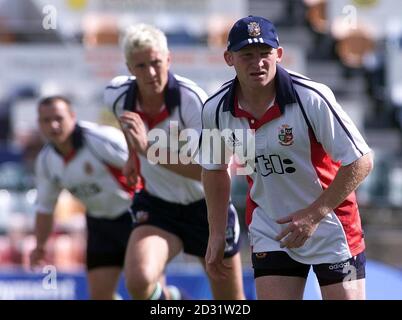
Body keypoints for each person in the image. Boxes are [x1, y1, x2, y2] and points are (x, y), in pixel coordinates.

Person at [201, 16, 374, 300]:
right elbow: (214, 169)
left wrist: (314, 214)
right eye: (247, 55)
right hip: (271, 227)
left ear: (279, 55)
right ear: (229, 58)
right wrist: (217, 232)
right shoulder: (215, 109)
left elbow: (361, 161)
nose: (257, 63)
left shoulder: (312, 98)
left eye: (264, 54)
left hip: (331, 226)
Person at [104, 23, 245, 300]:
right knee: (138, 281)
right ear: (129, 68)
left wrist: (146, 150)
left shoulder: (193, 101)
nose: (151, 73)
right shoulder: (116, 95)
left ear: (168, 59)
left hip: (207, 208)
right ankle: (169, 299)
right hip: (158, 206)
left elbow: (214, 169)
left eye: (156, 63)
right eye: (141, 66)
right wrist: (133, 155)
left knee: (231, 302)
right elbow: (128, 123)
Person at [30, 95, 136, 300]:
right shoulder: (46, 161)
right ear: (39, 124)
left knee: (143, 286)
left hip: (135, 219)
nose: (53, 125)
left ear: (72, 116)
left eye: (59, 118)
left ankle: (179, 300)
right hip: (99, 225)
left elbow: (146, 167)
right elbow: (44, 208)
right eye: (46, 120)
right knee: (99, 296)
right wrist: (40, 246)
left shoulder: (102, 139)